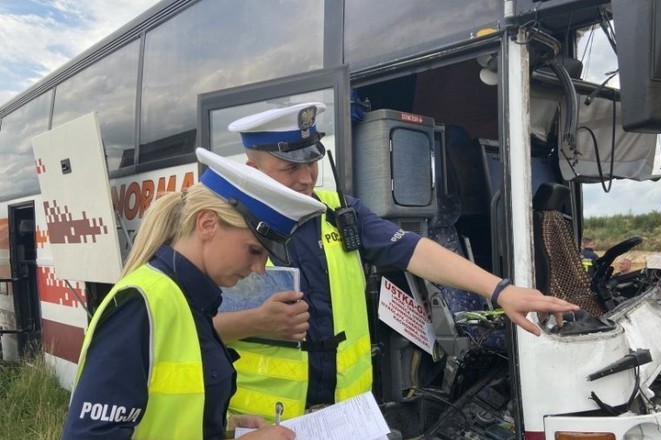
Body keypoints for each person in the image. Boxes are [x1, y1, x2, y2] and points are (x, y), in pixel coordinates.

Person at [213, 102, 579, 422]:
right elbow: (182, 328)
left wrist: (500, 290)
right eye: (289, 168)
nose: (307, 177)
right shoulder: (227, 229)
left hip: (346, 416)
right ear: (252, 167)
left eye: (312, 161)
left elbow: (414, 250)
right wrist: (254, 322)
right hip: (262, 424)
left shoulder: (339, 211)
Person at [61, 149, 322, 440]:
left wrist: (220, 427)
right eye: (254, 250)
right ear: (207, 224)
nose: (260, 268)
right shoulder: (141, 304)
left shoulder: (190, 301)